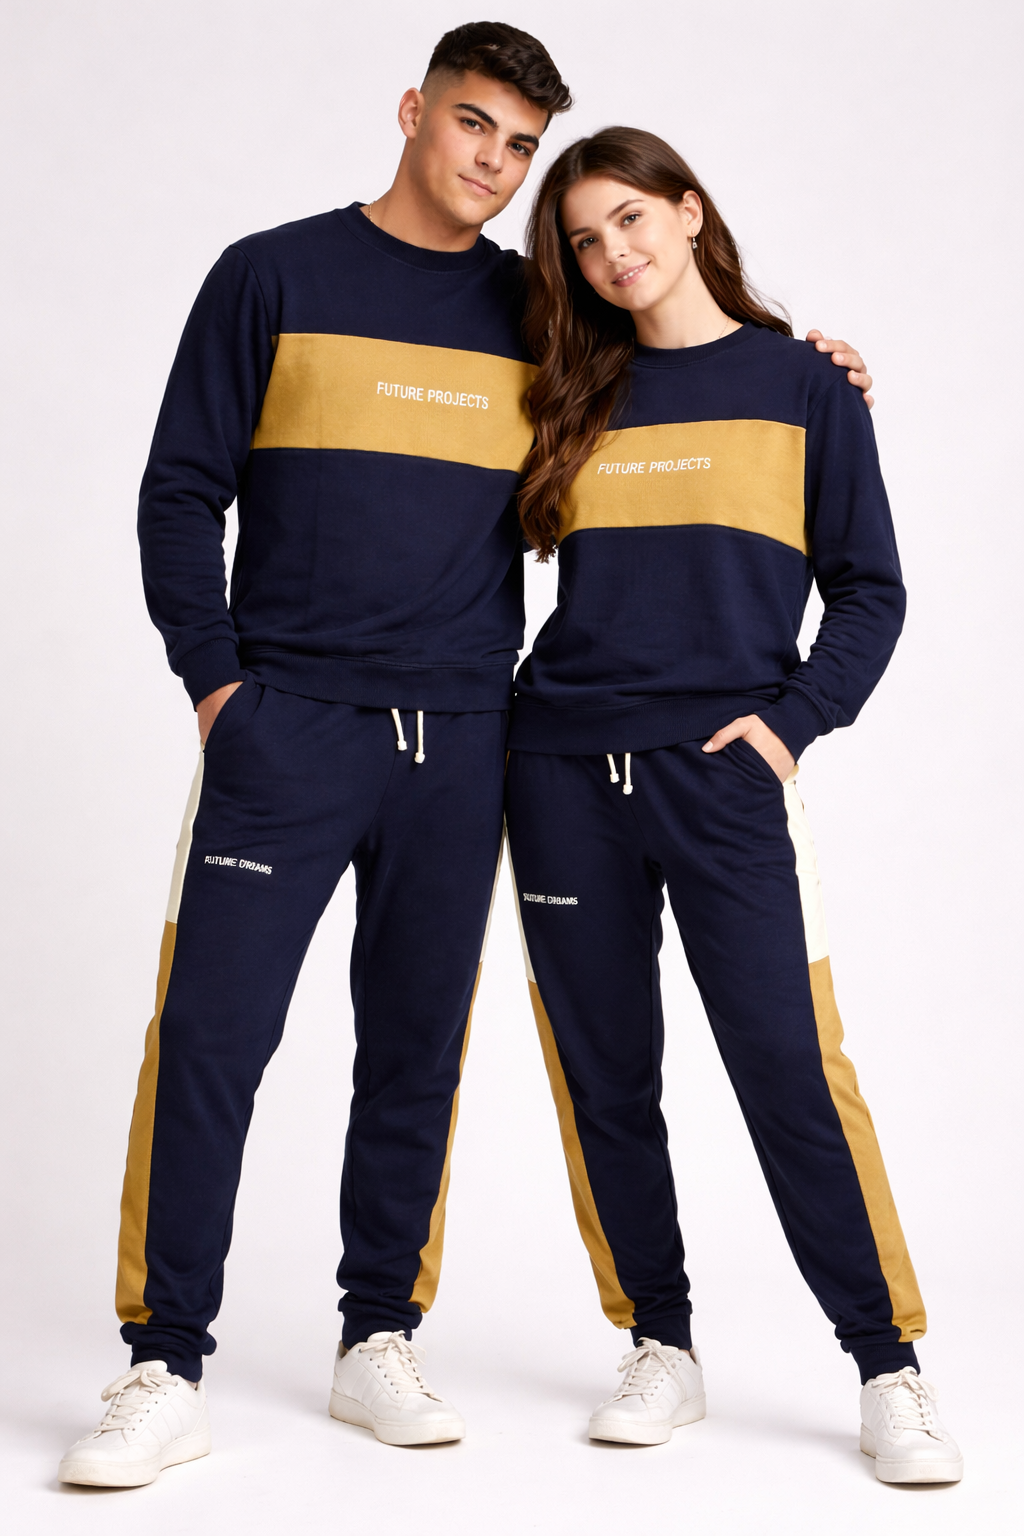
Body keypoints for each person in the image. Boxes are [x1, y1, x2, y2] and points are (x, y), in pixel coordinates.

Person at [57, 23, 872, 1485]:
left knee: (415, 1052)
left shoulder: (542, 314)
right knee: (212, 1042)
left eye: (520, 144)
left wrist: (815, 357)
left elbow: (690, 369)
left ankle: (377, 1332)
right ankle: (163, 1362)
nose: (494, 162)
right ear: (413, 112)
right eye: (473, 124)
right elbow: (180, 491)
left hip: (469, 738)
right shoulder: (271, 275)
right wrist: (217, 687)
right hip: (286, 724)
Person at [505, 127, 962, 1484]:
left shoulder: (804, 384)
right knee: (605, 1074)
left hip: (723, 776)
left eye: (631, 219)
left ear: (690, 212)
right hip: (563, 771)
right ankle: (659, 1341)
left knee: (789, 1067)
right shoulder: (565, 390)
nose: (613, 254)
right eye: (585, 240)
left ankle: (886, 1363)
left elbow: (871, 590)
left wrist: (792, 726)